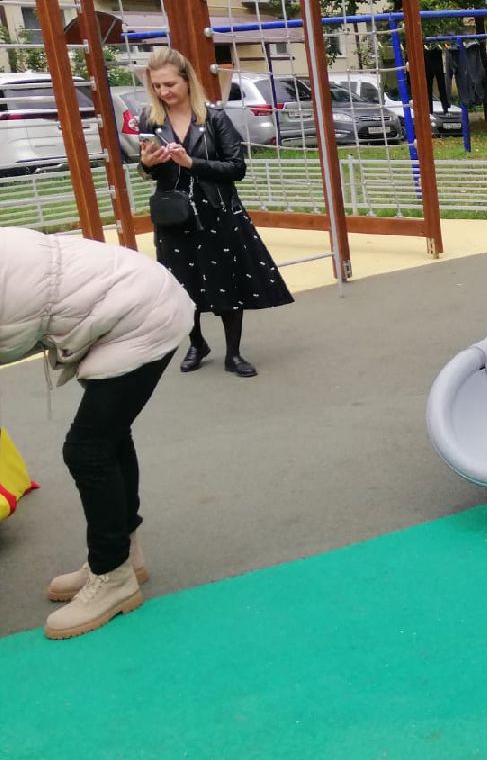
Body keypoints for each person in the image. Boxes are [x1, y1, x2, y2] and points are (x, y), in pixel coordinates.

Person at [0, 227, 194, 639]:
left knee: (86, 450)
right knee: (109, 438)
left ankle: (113, 578)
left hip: (142, 314)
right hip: (131, 301)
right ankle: (125, 555)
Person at [138, 48, 292, 378]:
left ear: (187, 80)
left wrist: (192, 163)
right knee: (181, 286)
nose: (164, 92)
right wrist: (146, 165)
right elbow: (148, 170)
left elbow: (236, 168)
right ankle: (197, 343)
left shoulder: (214, 118)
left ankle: (233, 354)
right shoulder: (151, 120)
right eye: (157, 87)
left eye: (169, 84)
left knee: (226, 282)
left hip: (216, 212)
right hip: (174, 216)